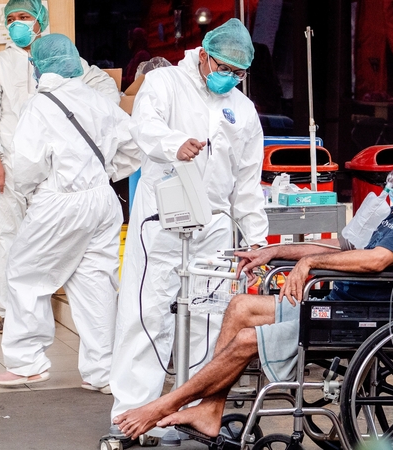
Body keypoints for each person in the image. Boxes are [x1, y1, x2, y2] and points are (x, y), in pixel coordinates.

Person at [113, 130, 393, 439]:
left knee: (248, 339)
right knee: (240, 307)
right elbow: (338, 248)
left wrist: (310, 264)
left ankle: (163, 405)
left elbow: (377, 260)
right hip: (338, 304)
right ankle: (209, 407)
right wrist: (272, 251)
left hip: (360, 315)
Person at [109, 18, 269, 435]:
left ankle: (194, 412)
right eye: (223, 69)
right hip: (161, 222)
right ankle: (134, 414)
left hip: (214, 226)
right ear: (203, 55)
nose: (229, 78)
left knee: (210, 320)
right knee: (145, 315)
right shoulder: (165, 84)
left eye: (238, 73)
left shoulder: (244, 110)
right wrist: (173, 145)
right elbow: (143, 128)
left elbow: (247, 183)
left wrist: (257, 239)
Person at [0, 34, 141, 389]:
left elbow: (26, 167)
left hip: (60, 200)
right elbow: (134, 147)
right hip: (102, 201)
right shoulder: (97, 98)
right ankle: (103, 372)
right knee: (95, 282)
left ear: (38, 66)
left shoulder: (38, 105)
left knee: (26, 275)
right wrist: (103, 174)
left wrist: (36, 192)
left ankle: (27, 361)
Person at [0, 0, 123, 334]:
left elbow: (104, 87)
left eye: (23, 17)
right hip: (7, 167)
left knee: (43, 240)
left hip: (53, 171)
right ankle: (11, 312)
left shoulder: (66, 60)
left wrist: (91, 116)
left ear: (40, 20)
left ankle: (40, 306)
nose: (16, 24)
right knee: (6, 238)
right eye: (10, 19)